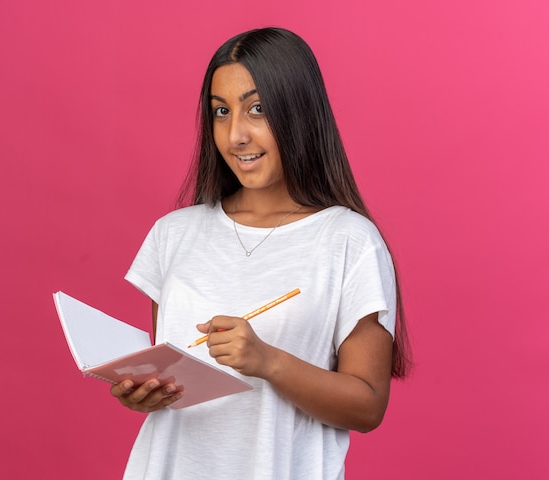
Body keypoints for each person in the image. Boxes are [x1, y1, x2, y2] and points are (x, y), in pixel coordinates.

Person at [111, 27, 411, 479]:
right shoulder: (174, 235)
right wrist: (145, 392)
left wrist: (268, 362)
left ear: (299, 113)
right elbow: (173, 378)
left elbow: (367, 406)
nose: (236, 135)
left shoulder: (349, 242)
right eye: (220, 112)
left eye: (257, 109)